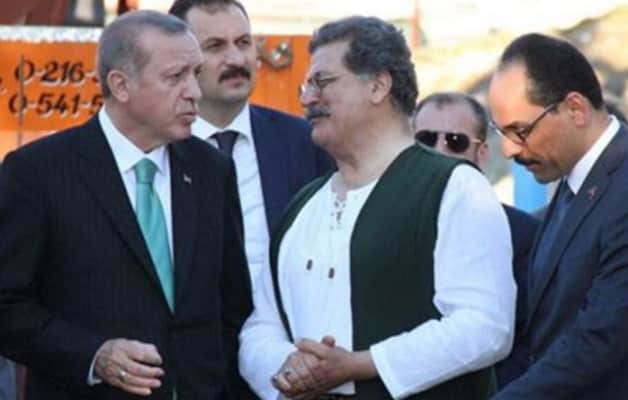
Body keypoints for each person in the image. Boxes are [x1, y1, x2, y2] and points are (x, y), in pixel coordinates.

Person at [239, 16, 516, 400]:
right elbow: (260, 327)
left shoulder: (454, 188)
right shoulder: (303, 207)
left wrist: (361, 365)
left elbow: (486, 325)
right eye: (306, 86)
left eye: (322, 82)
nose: (307, 99)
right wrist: (289, 368)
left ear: (378, 85)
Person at [0, 10, 252, 399]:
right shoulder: (38, 172)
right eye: (176, 77)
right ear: (120, 85)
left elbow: (232, 304)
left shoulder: (211, 170)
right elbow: (7, 305)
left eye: (196, 74)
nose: (194, 92)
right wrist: (93, 356)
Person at [488, 33, 628, 399]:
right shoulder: (573, 182)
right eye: (501, 132)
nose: (509, 150)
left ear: (575, 109)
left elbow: (601, 338)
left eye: (520, 131)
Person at [168, 0, 332, 292]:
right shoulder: (159, 147)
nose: (236, 59)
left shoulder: (305, 142)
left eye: (243, 43)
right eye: (215, 46)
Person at [412, 92, 539, 387]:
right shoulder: (381, 225)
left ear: (482, 153)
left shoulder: (524, 235)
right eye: (426, 140)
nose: (439, 151)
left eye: (455, 141)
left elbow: (530, 343)